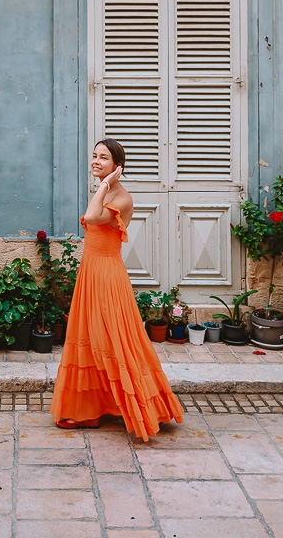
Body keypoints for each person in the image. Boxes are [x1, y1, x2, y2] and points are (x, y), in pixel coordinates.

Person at [50, 138, 184, 441]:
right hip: (90, 272)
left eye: (104, 158)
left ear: (116, 166)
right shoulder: (108, 192)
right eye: (94, 156)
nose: (96, 161)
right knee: (87, 336)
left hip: (107, 276)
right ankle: (89, 410)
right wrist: (103, 187)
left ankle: (145, 405)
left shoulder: (121, 198)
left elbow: (92, 217)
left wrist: (102, 187)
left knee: (117, 340)